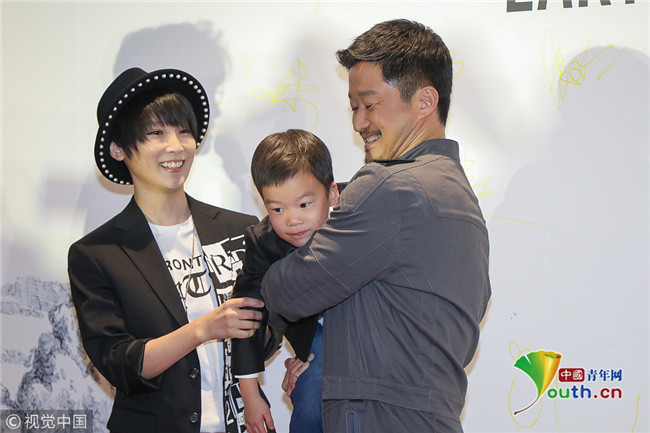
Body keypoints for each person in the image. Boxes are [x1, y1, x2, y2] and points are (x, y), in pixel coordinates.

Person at [261, 19, 491, 432]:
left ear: (425, 101)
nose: (358, 122)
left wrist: (267, 246)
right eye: (354, 107)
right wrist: (325, 368)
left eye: (369, 105)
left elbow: (290, 292)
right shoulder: (462, 199)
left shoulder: (389, 186)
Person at [68, 67, 273, 433]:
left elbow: (267, 328)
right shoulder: (98, 253)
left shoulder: (240, 229)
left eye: (183, 131)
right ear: (119, 149)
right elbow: (120, 364)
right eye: (156, 133)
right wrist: (203, 329)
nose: (176, 146)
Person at [231, 129, 340, 433]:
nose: (292, 220)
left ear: (332, 194)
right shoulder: (263, 242)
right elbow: (246, 313)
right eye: (277, 209)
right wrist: (250, 394)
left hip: (369, 330)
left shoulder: (360, 210)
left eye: (304, 205)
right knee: (310, 403)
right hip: (315, 340)